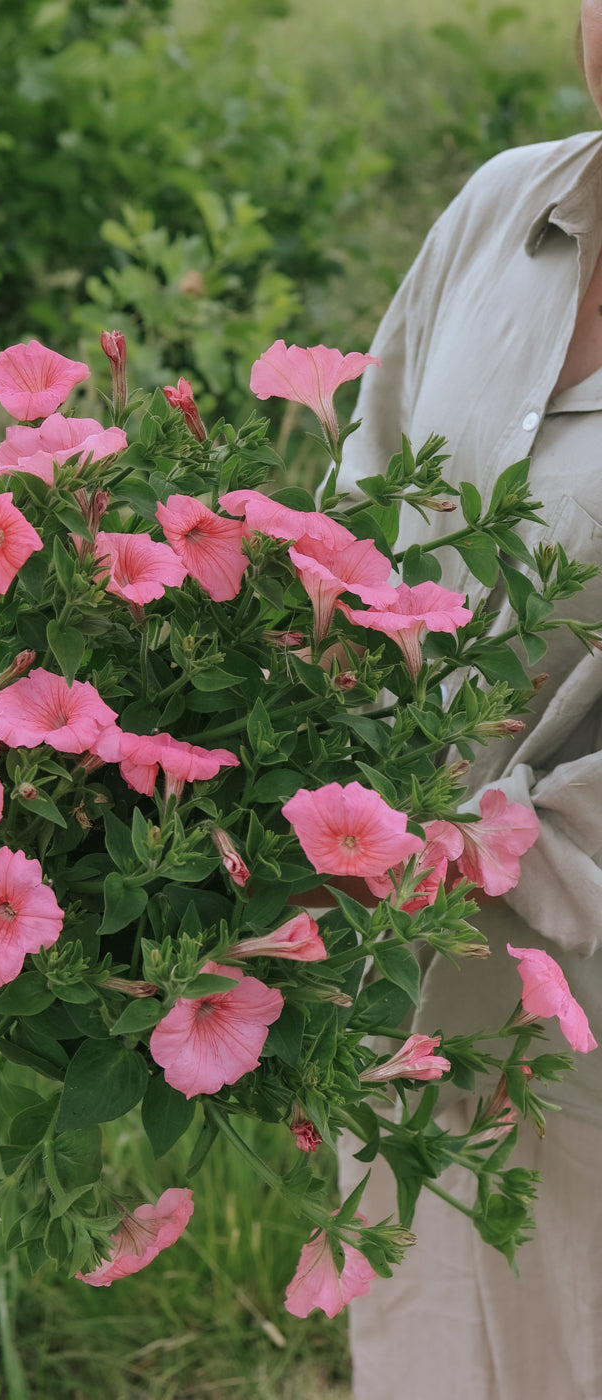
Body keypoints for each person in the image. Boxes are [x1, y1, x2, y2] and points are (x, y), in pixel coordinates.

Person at [335, 8, 602, 1397]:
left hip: (586, 962)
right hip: (403, 934)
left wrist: (503, 845)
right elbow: (361, 496)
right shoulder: (509, 208)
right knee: (431, 1332)